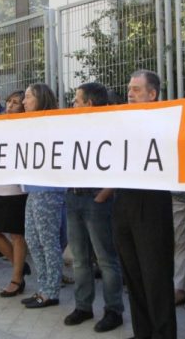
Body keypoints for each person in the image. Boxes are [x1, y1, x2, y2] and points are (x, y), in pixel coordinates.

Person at [111, 70, 176, 338]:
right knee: (133, 275)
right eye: (129, 88)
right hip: (123, 202)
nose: (130, 93)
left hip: (152, 205)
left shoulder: (166, 123)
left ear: (153, 94)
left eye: (137, 89)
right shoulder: (120, 123)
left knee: (155, 276)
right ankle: (143, 332)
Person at [62, 83, 124, 331]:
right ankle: (83, 306)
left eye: (76, 100)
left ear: (88, 103)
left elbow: (120, 160)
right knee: (79, 258)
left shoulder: (111, 127)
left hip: (97, 199)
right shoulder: (72, 126)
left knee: (105, 258)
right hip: (74, 197)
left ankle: (113, 310)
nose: (73, 104)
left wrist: (106, 192)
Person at [19, 83, 67, 309]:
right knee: (32, 239)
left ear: (40, 99)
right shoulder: (27, 124)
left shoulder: (54, 124)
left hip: (49, 190)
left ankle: (51, 291)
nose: (23, 102)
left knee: (48, 242)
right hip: (32, 189)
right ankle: (43, 286)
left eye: (28, 97)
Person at [0, 90, 32, 297]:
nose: (10, 106)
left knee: (16, 234)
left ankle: (17, 278)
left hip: (17, 188)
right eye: (9, 102)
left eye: (16, 103)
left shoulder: (26, 127)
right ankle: (19, 266)